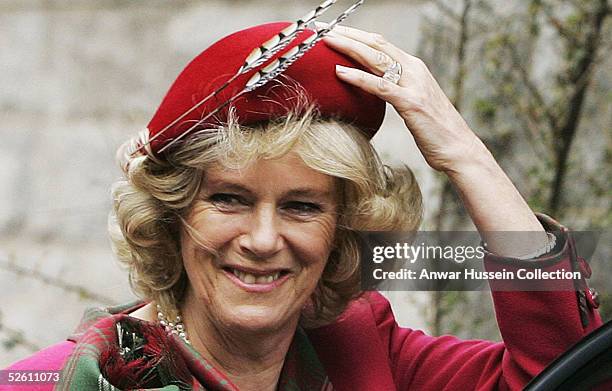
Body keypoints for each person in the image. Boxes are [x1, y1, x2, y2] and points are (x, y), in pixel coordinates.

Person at [5, 12, 603, 391]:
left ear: (343, 232)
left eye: (302, 207)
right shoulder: (55, 382)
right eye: (229, 199)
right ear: (173, 218)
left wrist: (462, 152)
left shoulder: (369, 355)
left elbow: (568, 370)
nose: (264, 241)